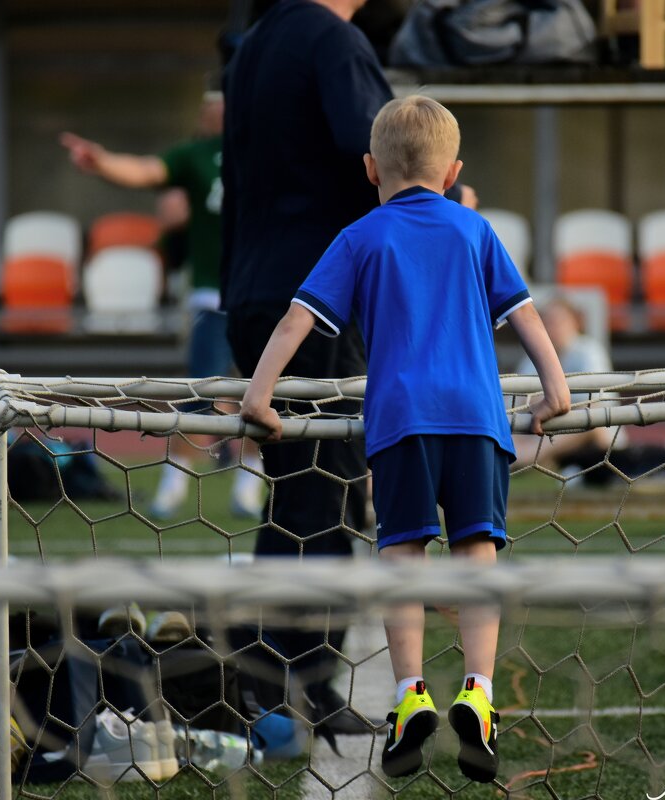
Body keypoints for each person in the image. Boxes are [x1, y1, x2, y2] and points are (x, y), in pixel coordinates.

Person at [240, 96, 569, 782]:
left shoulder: (360, 236)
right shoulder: (475, 230)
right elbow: (528, 316)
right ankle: (477, 695)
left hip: (400, 420)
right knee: (477, 550)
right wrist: (556, 386)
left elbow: (296, 321)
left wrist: (259, 393)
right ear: (452, 173)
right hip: (477, 416)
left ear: (369, 168)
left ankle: (409, 695)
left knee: (404, 554)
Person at [219, 0, 395, 735]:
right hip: (314, 299)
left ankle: (255, 668)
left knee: (297, 492)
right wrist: (442, 202)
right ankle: (306, 681)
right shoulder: (334, 40)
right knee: (325, 490)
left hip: (254, 294)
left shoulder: (257, 42)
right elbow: (381, 155)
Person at [61, 92, 264, 520]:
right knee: (200, 394)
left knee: (260, 393)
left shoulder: (266, 148)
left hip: (261, 294)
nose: (216, 108)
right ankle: (176, 480)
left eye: (224, 100)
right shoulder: (194, 157)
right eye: (209, 103)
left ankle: (251, 479)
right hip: (213, 296)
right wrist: (103, 163)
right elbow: (146, 170)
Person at [513, 296, 615, 472]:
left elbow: (591, 406)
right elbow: (522, 404)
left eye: (558, 321)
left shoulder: (589, 351)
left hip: (592, 436)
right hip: (546, 429)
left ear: (574, 323)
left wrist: (550, 402)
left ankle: (527, 459)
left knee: (589, 419)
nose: (553, 327)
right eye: (547, 321)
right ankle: (531, 458)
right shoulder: (532, 358)